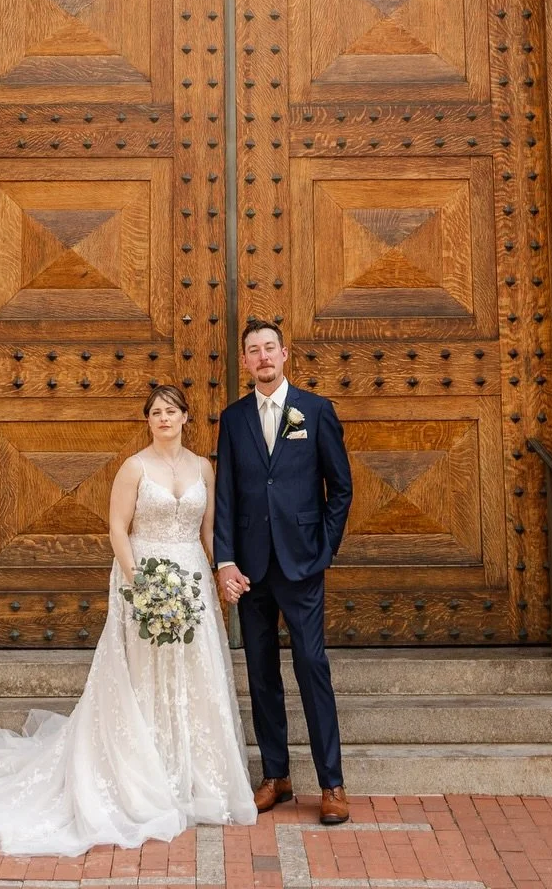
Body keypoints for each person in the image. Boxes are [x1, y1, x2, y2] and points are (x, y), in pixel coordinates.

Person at [0, 382, 257, 855]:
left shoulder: (204, 468)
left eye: (171, 411)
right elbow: (118, 529)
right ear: (148, 421)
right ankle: (146, 776)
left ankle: (193, 776)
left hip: (191, 581)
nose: (164, 418)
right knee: (144, 675)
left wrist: (222, 568)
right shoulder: (133, 468)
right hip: (144, 576)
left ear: (187, 417)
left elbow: (208, 532)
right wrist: (139, 583)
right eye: (156, 412)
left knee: (193, 676)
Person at [213, 317, 354, 826]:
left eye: (270, 347)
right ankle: (276, 775)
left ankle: (331, 783)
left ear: (285, 353)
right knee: (261, 673)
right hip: (250, 569)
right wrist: (224, 561)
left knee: (312, 667)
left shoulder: (316, 411)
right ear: (246, 361)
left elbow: (340, 487)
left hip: (301, 564)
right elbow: (225, 495)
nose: (263, 356)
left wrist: (325, 549)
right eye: (254, 350)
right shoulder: (233, 420)